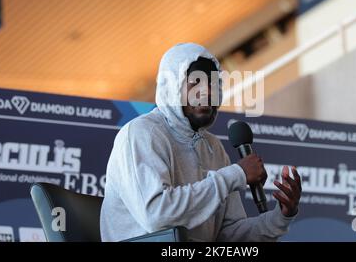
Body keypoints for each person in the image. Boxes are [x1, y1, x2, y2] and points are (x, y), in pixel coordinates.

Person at [100, 42, 301, 242]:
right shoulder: (142, 133)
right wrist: (236, 174)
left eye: (212, 83)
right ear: (172, 87)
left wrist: (280, 217)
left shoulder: (213, 147)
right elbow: (157, 216)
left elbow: (228, 234)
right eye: (195, 82)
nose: (205, 92)